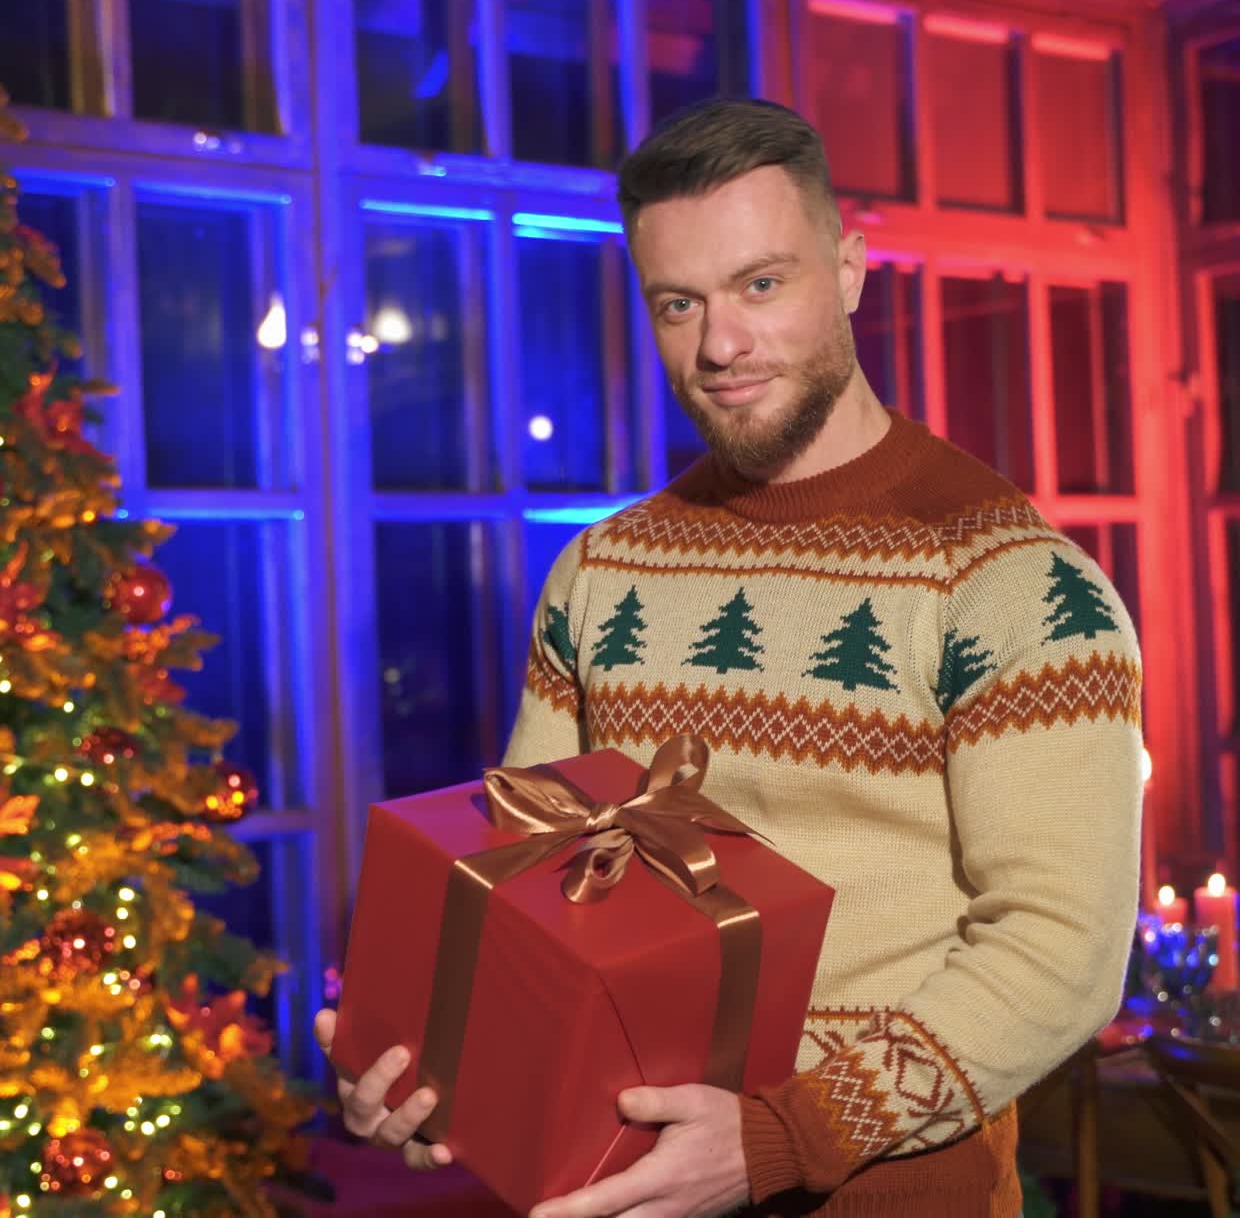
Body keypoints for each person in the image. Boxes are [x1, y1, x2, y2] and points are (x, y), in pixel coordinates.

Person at [314, 98, 1142, 1218]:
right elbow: (536, 891)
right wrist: (432, 1070)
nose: (720, 344)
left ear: (848, 269)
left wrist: (776, 1137)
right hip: (610, 1176)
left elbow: (1061, 952)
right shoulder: (601, 571)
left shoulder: (1007, 582)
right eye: (677, 303)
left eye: (762, 283)